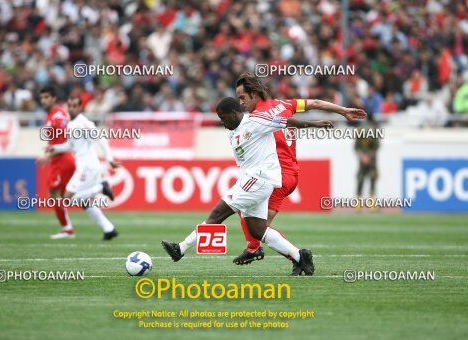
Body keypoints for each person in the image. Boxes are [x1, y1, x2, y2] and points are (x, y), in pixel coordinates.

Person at [162, 97, 336, 276]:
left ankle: (180, 249)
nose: (222, 122)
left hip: (259, 179)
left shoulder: (255, 122)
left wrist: (314, 124)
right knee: (258, 230)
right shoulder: (234, 132)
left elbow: (286, 121)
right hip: (252, 180)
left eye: (223, 118)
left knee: (217, 214)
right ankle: (300, 256)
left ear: (234, 113)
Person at [232, 72, 367, 265]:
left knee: (258, 226)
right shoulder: (286, 104)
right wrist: (343, 110)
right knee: (246, 210)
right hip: (291, 173)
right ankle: (255, 248)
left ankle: (296, 257)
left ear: (254, 94)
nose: (240, 103)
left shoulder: (258, 117)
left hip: (277, 176)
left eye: (242, 97)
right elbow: (316, 104)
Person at [46, 97, 120, 240]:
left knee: (67, 199)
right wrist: (54, 148)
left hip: (88, 166)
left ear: (80, 108)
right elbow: (70, 146)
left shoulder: (83, 122)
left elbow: (101, 138)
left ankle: (101, 187)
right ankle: (109, 228)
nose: (72, 109)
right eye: (70, 106)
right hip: (84, 166)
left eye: (75, 106)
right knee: (84, 202)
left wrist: (109, 159)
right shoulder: (70, 125)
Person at [36, 86, 76, 239]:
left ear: (54, 98)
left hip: (63, 159)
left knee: (61, 194)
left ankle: (67, 229)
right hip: (57, 160)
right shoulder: (50, 116)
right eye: (42, 98)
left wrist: (49, 154)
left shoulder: (58, 116)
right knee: (58, 194)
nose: (43, 100)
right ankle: (67, 228)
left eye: (46, 97)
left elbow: (65, 136)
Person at [355, 113, 380, 207]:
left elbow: (356, 147)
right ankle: (372, 204)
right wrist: (369, 156)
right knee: (372, 179)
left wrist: (362, 156)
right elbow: (376, 147)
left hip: (362, 159)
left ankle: (358, 204)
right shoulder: (375, 130)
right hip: (372, 159)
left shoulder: (359, 129)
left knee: (360, 179)